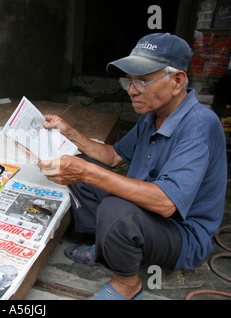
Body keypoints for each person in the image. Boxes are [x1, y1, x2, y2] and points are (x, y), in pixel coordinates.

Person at [38, 33, 227, 300]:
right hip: (146, 214)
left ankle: (126, 284)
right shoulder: (152, 115)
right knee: (82, 169)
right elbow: (114, 156)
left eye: (142, 80)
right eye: (129, 80)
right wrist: (69, 133)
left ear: (177, 81)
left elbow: (165, 203)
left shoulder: (199, 125)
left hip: (182, 234)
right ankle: (105, 247)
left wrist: (89, 173)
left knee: (115, 208)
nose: (131, 90)